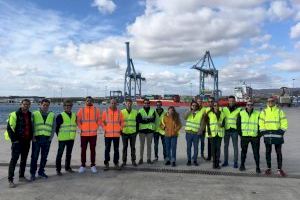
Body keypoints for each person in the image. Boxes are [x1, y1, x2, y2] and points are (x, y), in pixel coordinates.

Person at [5, 99, 33, 188]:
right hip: (17, 142)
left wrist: (31, 137)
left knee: (23, 160)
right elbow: (9, 128)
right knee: (14, 160)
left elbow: (31, 126)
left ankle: (21, 176)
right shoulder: (14, 114)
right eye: (24, 104)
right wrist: (14, 140)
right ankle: (10, 179)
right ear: (21, 104)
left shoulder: (30, 114)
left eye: (28, 104)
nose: (26, 106)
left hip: (27, 141)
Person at [259, 97, 288, 176]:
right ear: (267, 102)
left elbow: (284, 122)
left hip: (277, 135)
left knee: (278, 152)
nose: (270, 102)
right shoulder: (264, 112)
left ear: (275, 102)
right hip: (267, 135)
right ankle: (268, 168)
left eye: (272, 101)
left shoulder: (279, 111)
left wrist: (281, 131)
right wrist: (263, 132)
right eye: (269, 101)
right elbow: (261, 122)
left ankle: (279, 169)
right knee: (268, 152)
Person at [30, 98, 55, 180]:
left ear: (49, 106)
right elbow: (32, 126)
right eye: (44, 105)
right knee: (34, 157)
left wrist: (50, 138)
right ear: (40, 105)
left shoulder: (52, 115)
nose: (45, 106)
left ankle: (41, 172)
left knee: (44, 157)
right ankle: (33, 173)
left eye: (47, 105)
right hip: (36, 139)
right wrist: (33, 137)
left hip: (47, 139)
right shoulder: (34, 114)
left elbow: (53, 127)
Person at [77, 96, 101, 173]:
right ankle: (83, 165)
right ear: (85, 102)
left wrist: (96, 127)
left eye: (90, 101)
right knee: (83, 150)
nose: (89, 102)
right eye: (87, 101)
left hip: (93, 134)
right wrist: (82, 128)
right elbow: (78, 121)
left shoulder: (96, 110)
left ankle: (93, 165)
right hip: (84, 134)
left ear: (92, 102)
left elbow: (99, 120)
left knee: (93, 150)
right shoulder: (81, 110)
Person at [237, 101, 261, 174]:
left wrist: (259, 135)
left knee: (256, 152)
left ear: (253, 106)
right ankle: (242, 165)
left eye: (251, 105)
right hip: (245, 136)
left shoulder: (258, 113)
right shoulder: (241, 113)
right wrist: (241, 134)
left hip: (255, 137)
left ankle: (257, 167)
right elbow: (238, 125)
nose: (249, 106)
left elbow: (261, 124)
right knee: (243, 152)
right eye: (248, 105)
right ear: (246, 106)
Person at [55, 100, 77, 176]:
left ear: (71, 106)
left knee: (69, 154)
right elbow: (56, 128)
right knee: (59, 154)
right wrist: (60, 136)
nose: (68, 107)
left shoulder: (74, 115)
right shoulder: (60, 116)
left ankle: (67, 167)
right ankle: (58, 170)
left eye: (69, 106)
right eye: (66, 106)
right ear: (64, 107)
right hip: (62, 139)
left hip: (71, 138)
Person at [102, 98, 124, 170]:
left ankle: (116, 163)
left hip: (116, 135)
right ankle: (106, 163)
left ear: (116, 104)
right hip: (108, 135)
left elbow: (122, 122)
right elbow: (102, 122)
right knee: (107, 150)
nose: (113, 104)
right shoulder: (106, 112)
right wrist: (106, 129)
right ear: (110, 103)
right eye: (112, 103)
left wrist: (120, 129)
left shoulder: (119, 112)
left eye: (115, 103)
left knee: (116, 150)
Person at [202, 101, 225, 169]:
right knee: (213, 149)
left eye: (217, 105)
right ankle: (214, 163)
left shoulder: (222, 113)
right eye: (214, 105)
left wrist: (222, 125)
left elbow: (224, 123)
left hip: (219, 134)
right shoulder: (209, 113)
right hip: (212, 134)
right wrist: (209, 133)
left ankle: (217, 163)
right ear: (213, 106)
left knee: (218, 149)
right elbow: (207, 124)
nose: (216, 107)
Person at [222, 95, 241, 168]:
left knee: (235, 147)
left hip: (234, 131)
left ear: (235, 101)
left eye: (233, 101)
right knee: (225, 147)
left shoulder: (239, 110)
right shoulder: (224, 109)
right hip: (226, 130)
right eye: (230, 101)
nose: (231, 102)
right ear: (228, 101)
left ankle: (235, 162)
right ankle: (225, 161)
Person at [183, 101, 205, 166]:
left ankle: (195, 160)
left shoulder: (200, 113)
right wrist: (190, 110)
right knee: (188, 147)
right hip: (188, 133)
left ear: (197, 106)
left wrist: (200, 131)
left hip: (196, 134)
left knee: (196, 148)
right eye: (193, 105)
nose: (194, 107)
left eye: (195, 105)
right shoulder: (188, 112)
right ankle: (189, 160)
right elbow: (184, 117)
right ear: (191, 106)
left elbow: (202, 124)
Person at [137, 99, 156, 165]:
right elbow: (139, 120)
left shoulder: (152, 111)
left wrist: (144, 119)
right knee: (141, 146)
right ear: (143, 104)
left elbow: (153, 119)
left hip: (150, 131)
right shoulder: (140, 111)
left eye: (148, 103)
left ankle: (148, 159)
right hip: (142, 131)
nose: (146, 104)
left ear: (149, 104)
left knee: (149, 146)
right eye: (145, 103)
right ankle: (141, 159)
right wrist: (148, 119)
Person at [121, 99, 138, 167]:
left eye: (130, 103)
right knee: (125, 147)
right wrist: (120, 130)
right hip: (124, 132)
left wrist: (136, 131)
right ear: (125, 104)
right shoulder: (121, 112)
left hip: (133, 133)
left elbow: (138, 123)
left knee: (133, 147)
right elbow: (119, 122)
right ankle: (124, 161)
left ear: (132, 104)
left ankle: (133, 161)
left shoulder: (135, 112)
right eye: (128, 103)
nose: (129, 104)